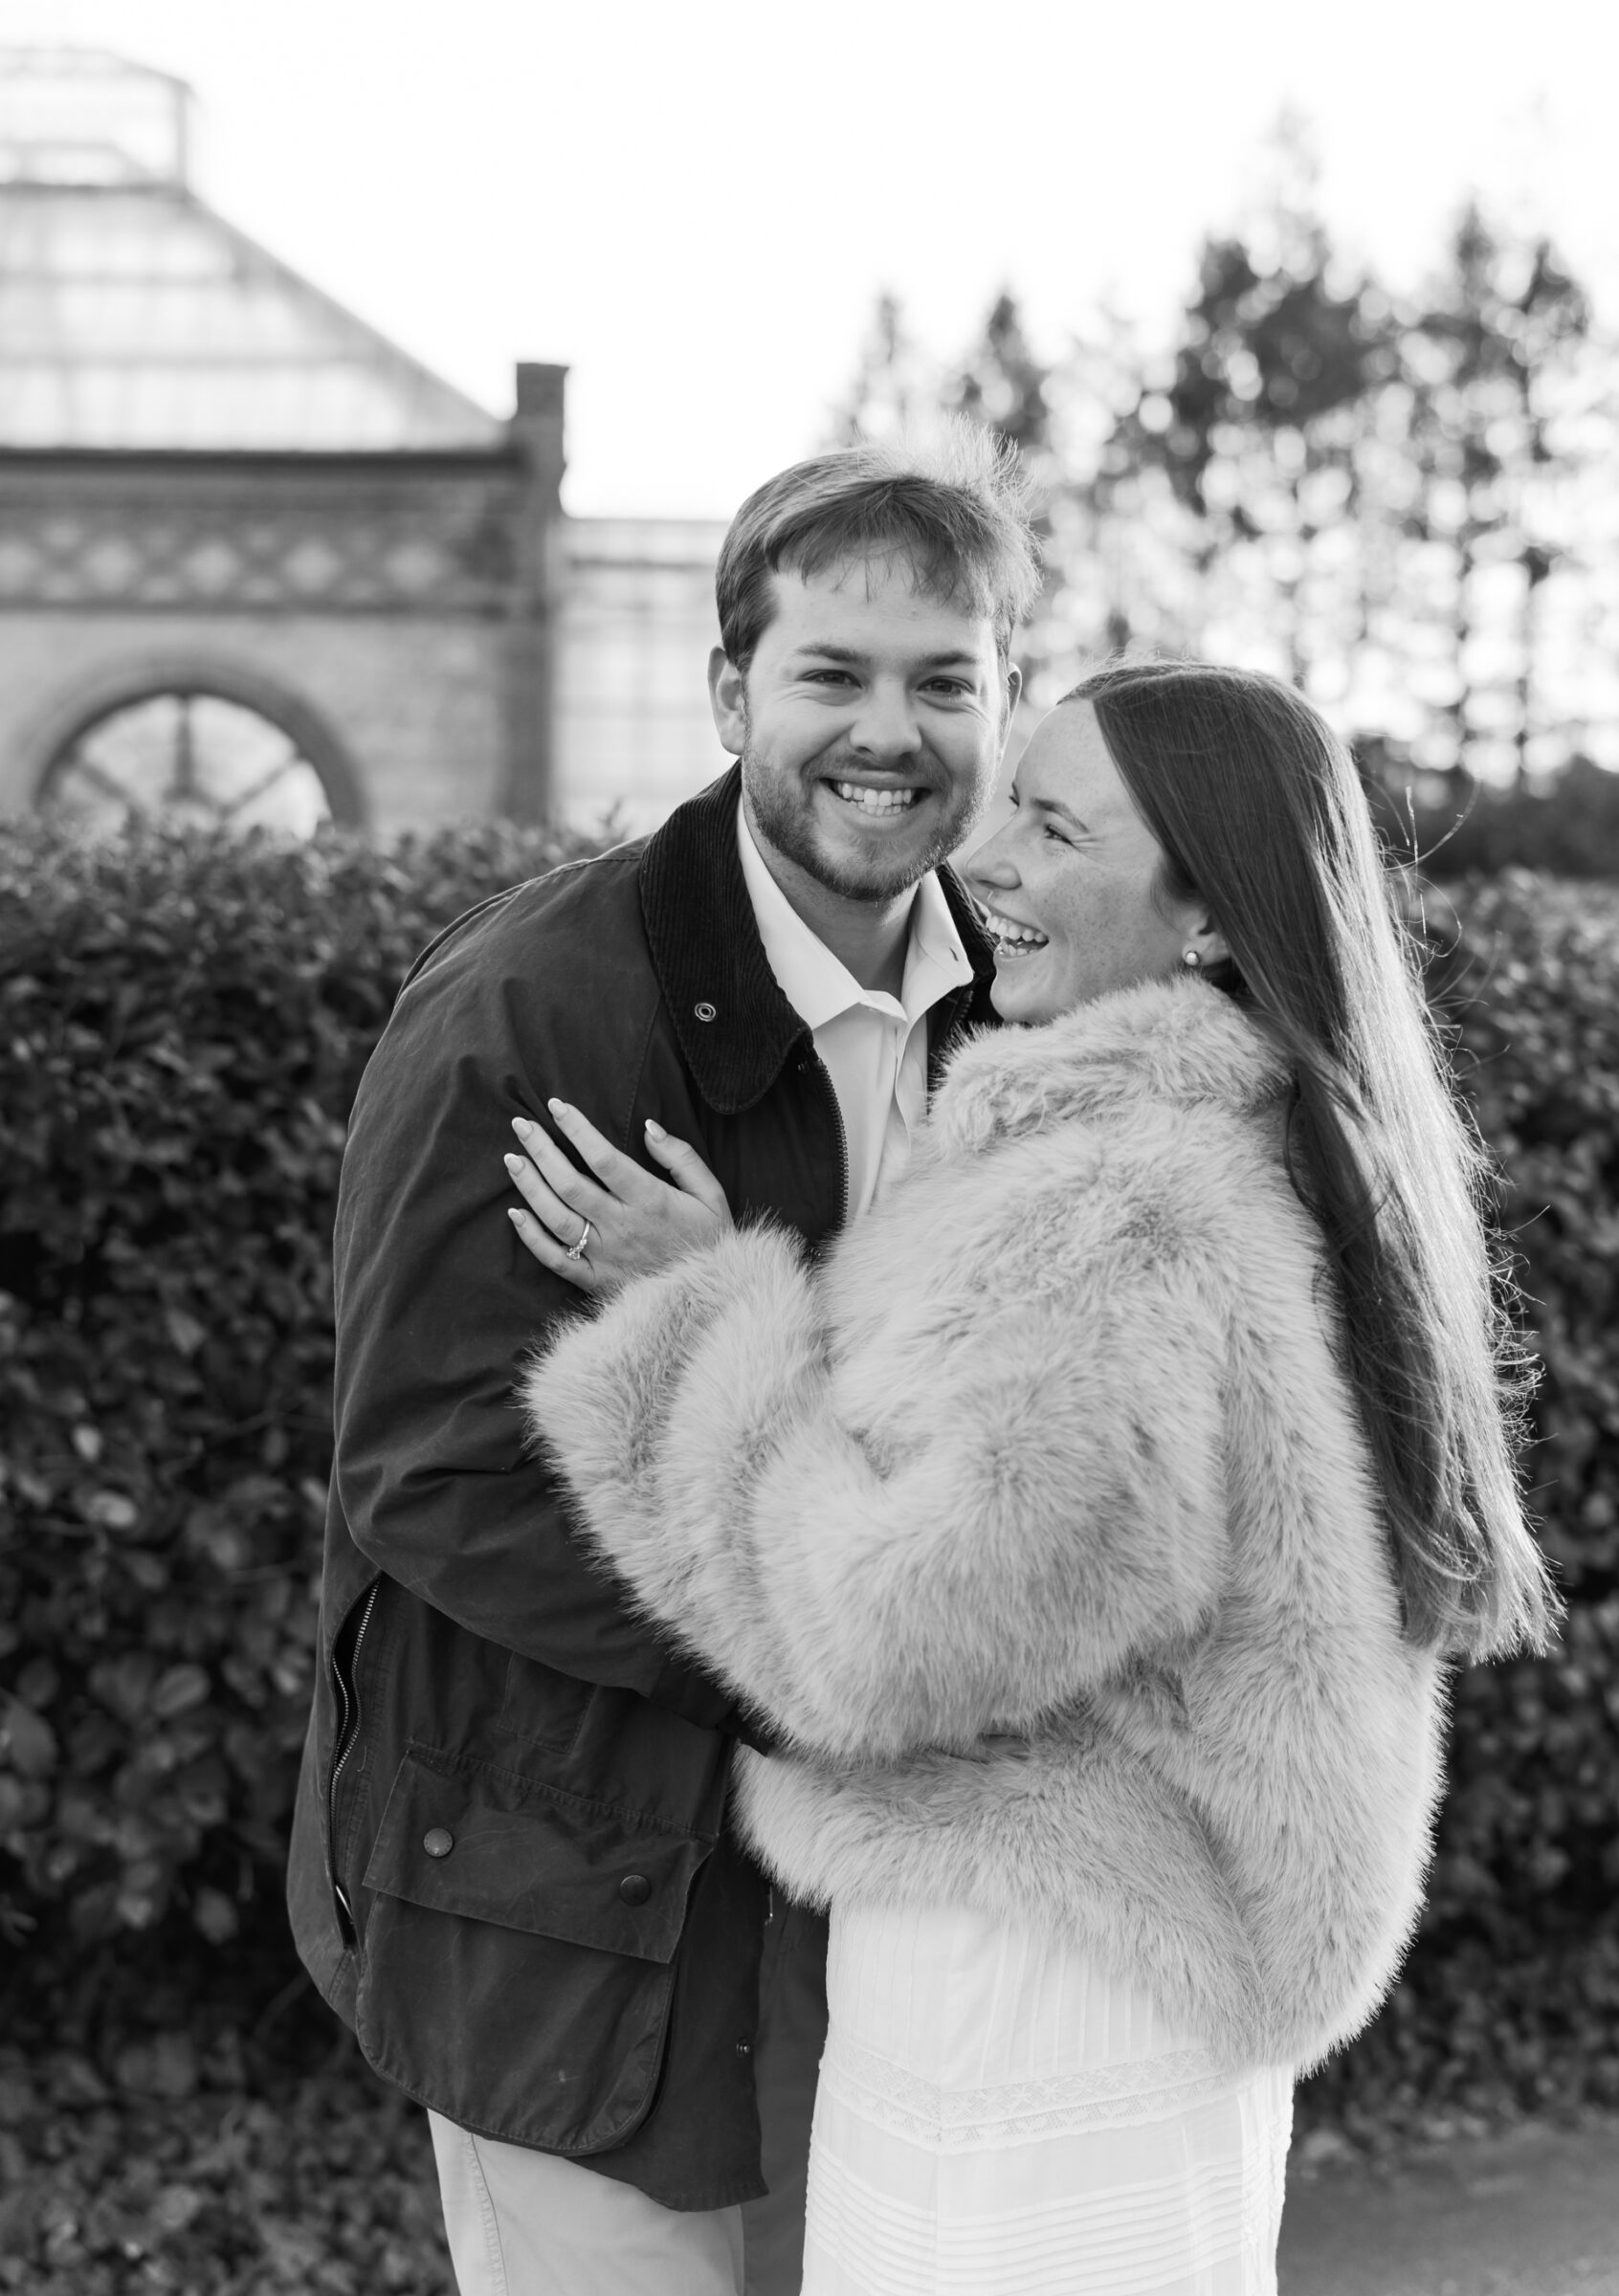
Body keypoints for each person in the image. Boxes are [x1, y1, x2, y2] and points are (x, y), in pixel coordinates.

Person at [511, 662, 1559, 2295]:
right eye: (1008, 804)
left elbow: (886, 1640)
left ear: (1206, 914)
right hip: (1145, 1948)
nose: (980, 857)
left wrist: (696, 1315)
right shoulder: (1278, 1140)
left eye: (1051, 826)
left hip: (1034, 1954)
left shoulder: (1106, 1201)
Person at [284, 423, 1038, 2296]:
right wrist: (830, 1654)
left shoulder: (1036, 1010)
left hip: (902, 1914)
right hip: (577, 1907)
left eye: (944, 681)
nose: (892, 732)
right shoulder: (530, 1015)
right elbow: (431, 1475)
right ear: (728, 691)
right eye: (832, 676)